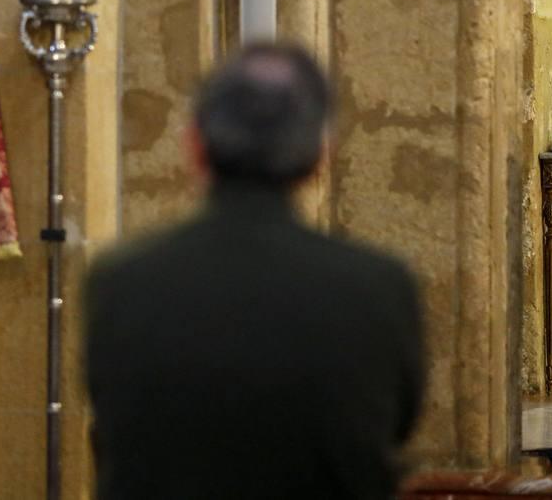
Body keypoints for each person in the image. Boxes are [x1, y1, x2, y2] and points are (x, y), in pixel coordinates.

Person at [84, 43, 424, 500]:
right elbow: (395, 424)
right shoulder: (379, 286)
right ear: (321, 153)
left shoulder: (119, 282)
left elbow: (113, 425)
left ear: (194, 146)